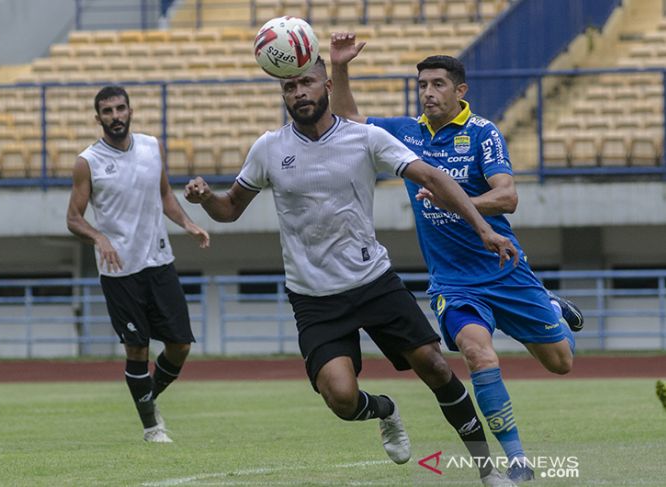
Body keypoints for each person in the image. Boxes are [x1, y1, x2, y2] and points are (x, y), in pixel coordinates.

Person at [185, 58, 517, 486]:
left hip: (373, 282)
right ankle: (386, 410)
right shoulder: (268, 148)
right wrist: (206, 198)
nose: (299, 93)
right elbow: (229, 209)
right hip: (313, 297)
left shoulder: (365, 138)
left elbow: (433, 177)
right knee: (341, 398)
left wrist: (483, 228)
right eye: (289, 88)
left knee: (435, 365)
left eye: (306, 83)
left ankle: (488, 473)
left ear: (326, 83)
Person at [329, 33, 585, 482]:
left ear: (460, 90)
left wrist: (457, 203)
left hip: (504, 269)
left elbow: (507, 197)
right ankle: (517, 462)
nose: (428, 92)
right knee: (476, 354)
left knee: (560, 362)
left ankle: (550, 308)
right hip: (454, 282)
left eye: (438, 84)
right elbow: (348, 119)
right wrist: (340, 66)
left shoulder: (482, 133)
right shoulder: (406, 134)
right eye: (423, 84)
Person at [66, 85, 210, 443]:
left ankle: (146, 399)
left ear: (130, 111)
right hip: (120, 272)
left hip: (159, 261)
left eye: (120, 109)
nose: (115, 116)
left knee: (180, 345)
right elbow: (73, 218)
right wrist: (99, 238)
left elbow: (164, 194)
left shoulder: (151, 146)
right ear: (97, 117)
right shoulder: (88, 162)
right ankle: (152, 427)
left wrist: (188, 224)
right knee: (137, 349)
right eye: (108, 111)